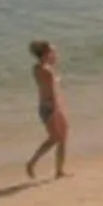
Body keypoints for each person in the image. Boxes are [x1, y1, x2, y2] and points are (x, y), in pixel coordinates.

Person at [24, 40, 69, 179]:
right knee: (57, 138)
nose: (55, 54)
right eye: (52, 52)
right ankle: (32, 163)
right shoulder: (47, 71)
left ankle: (59, 170)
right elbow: (52, 91)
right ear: (46, 54)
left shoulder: (38, 68)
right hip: (52, 106)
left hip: (47, 105)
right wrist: (57, 110)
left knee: (60, 137)